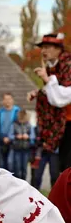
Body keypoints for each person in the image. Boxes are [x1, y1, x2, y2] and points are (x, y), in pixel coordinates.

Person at [29, 33, 71, 175]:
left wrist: (48, 80)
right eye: (42, 48)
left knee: (66, 166)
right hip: (62, 125)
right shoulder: (52, 68)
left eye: (46, 47)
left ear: (58, 49)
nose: (43, 51)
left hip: (69, 123)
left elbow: (61, 98)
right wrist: (39, 93)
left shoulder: (68, 65)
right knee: (63, 167)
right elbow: (52, 92)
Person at [9, 110, 35, 181]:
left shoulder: (29, 125)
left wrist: (28, 136)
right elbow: (10, 136)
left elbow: (33, 136)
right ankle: (18, 183)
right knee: (17, 168)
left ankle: (24, 183)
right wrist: (17, 136)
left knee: (24, 168)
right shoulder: (14, 124)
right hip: (17, 149)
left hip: (26, 150)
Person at [0, 93, 20, 171]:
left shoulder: (17, 111)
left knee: (12, 165)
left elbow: (19, 126)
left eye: (9, 99)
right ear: (3, 101)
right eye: (5, 99)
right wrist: (3, 137)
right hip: (2, 140)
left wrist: (10, 137)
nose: (7, 101)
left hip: (13, 141)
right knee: (2, 165)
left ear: (12, 100)